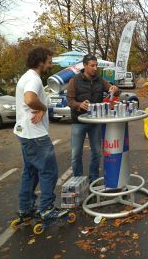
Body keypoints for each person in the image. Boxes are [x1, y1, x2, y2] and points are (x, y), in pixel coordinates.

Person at [14, 47, 68, 222]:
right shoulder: (34, 79)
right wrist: (43, 108)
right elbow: (30, 99)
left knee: (30, 172)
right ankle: (46, 208)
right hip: (35, 135)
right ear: (41, 61)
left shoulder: (26, 76)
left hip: (25, 132)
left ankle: (26, 208)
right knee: (49, 172)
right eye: (49, 61)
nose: (51, 65)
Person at [67, 54, 119, 182]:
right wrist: (79, 104)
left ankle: (93, 179)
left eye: (96, 65)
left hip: (95, 121)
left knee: (96, 152)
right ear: (85, 66)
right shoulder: (74, 80)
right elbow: (69, 101)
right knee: (76, 154)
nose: (95, 68)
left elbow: (114, 92)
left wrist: (115, 89)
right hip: (78, 121)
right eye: (92, 66)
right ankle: (78, 181)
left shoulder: (100, 80)